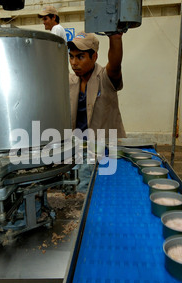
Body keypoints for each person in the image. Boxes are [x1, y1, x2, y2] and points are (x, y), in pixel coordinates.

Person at [67, 32, 127, 192]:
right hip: (80, 149)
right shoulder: (71, 81)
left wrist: (115, 38)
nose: (74, 63)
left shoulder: (105, 78)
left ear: (94, 57)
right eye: (71, 57)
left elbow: (115, 64)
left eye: (80, 57)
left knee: (106, 190)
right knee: (81, 189)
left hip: (106, 149)